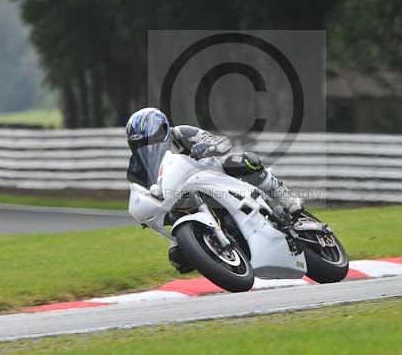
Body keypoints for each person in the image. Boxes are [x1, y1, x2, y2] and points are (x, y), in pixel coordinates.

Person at [125, 106, 302, 273]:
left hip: (215, 177)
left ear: (162, 131)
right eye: (141, 144)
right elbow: (140, 187)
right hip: (183, 197)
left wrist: (208, 147)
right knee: (178, 257)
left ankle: (287, 201)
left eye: (150, 140)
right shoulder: (139, 165)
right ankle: (208, 245)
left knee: (246, 161)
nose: (148, 146)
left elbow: (222, 143)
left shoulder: (181, 133)